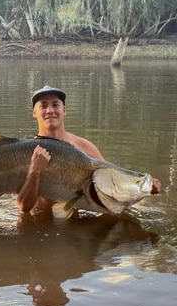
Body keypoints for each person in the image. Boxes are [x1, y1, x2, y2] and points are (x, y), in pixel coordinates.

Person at [16, 85, 161, 216]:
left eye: (55, 105)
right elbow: (24, 208)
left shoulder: (85, 147)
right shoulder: (23, 154)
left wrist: (142, 188)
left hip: (75, 226)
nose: (50, 110)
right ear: (34, 112)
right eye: (43, 106)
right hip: (37, 224)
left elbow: (109, 185)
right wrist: (34, 172)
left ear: (64, 110)